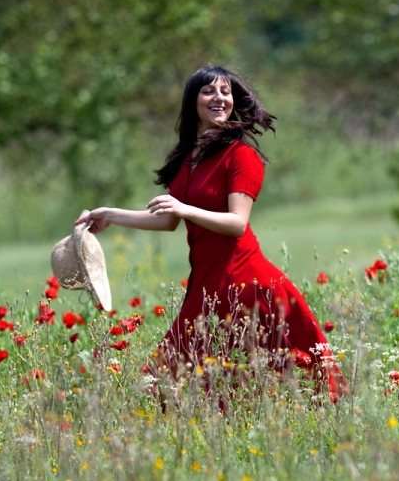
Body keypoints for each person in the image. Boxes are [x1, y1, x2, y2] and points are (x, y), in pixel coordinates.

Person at [75, 66, 348, 404]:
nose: (219, 98)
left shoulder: (241, 157)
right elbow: (166, 220)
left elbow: (237, 223)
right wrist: (110, 215)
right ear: (193, 102)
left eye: (225, 92)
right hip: (206, 283)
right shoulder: (188, 158)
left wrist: (185, 209)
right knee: (172, 381)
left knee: (252, 378)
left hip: (244, 282)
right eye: (209, 91)